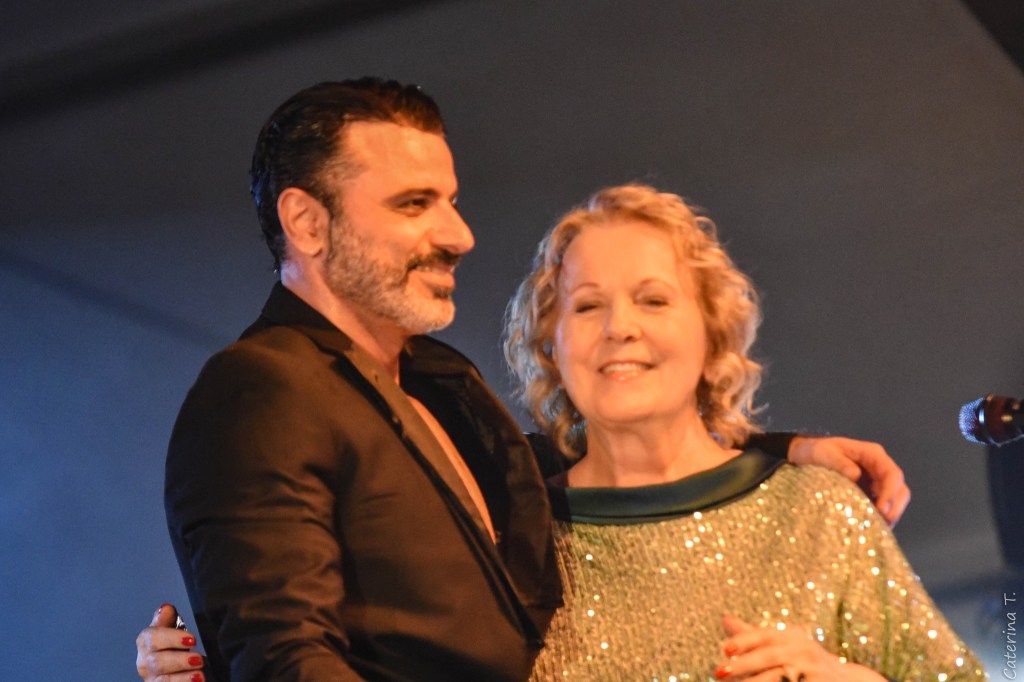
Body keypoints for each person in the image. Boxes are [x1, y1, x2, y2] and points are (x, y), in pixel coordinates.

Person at [136, 79, 911, 682]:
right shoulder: (261, 387)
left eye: (451, 201)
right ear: (307, 223)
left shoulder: (431, 382)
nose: (459, 234)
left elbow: (558, 471)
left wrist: (776, 452)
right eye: (414, 204)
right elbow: (287, 661)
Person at [502, 184, 983, 680]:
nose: (619, 326)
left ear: (713, 335)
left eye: (653, 300)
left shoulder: (817, 511)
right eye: (586, 306)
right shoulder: (516, 546)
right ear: (551, 345)